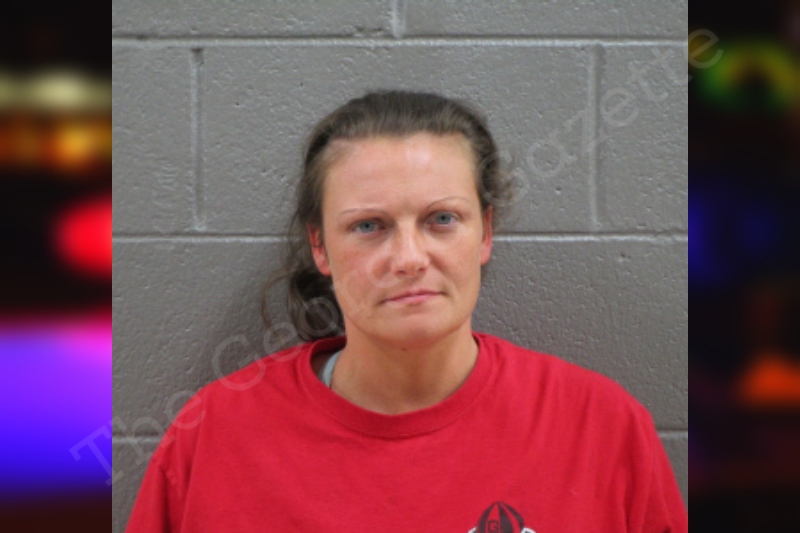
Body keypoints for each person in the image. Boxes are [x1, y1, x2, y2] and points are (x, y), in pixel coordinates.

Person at [125, 91, 687, 532]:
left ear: (485, 233)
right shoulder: (214, 435)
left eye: (442, 220)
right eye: (369, 226)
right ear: (320, 246)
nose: (409, 259)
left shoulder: (603, 429)